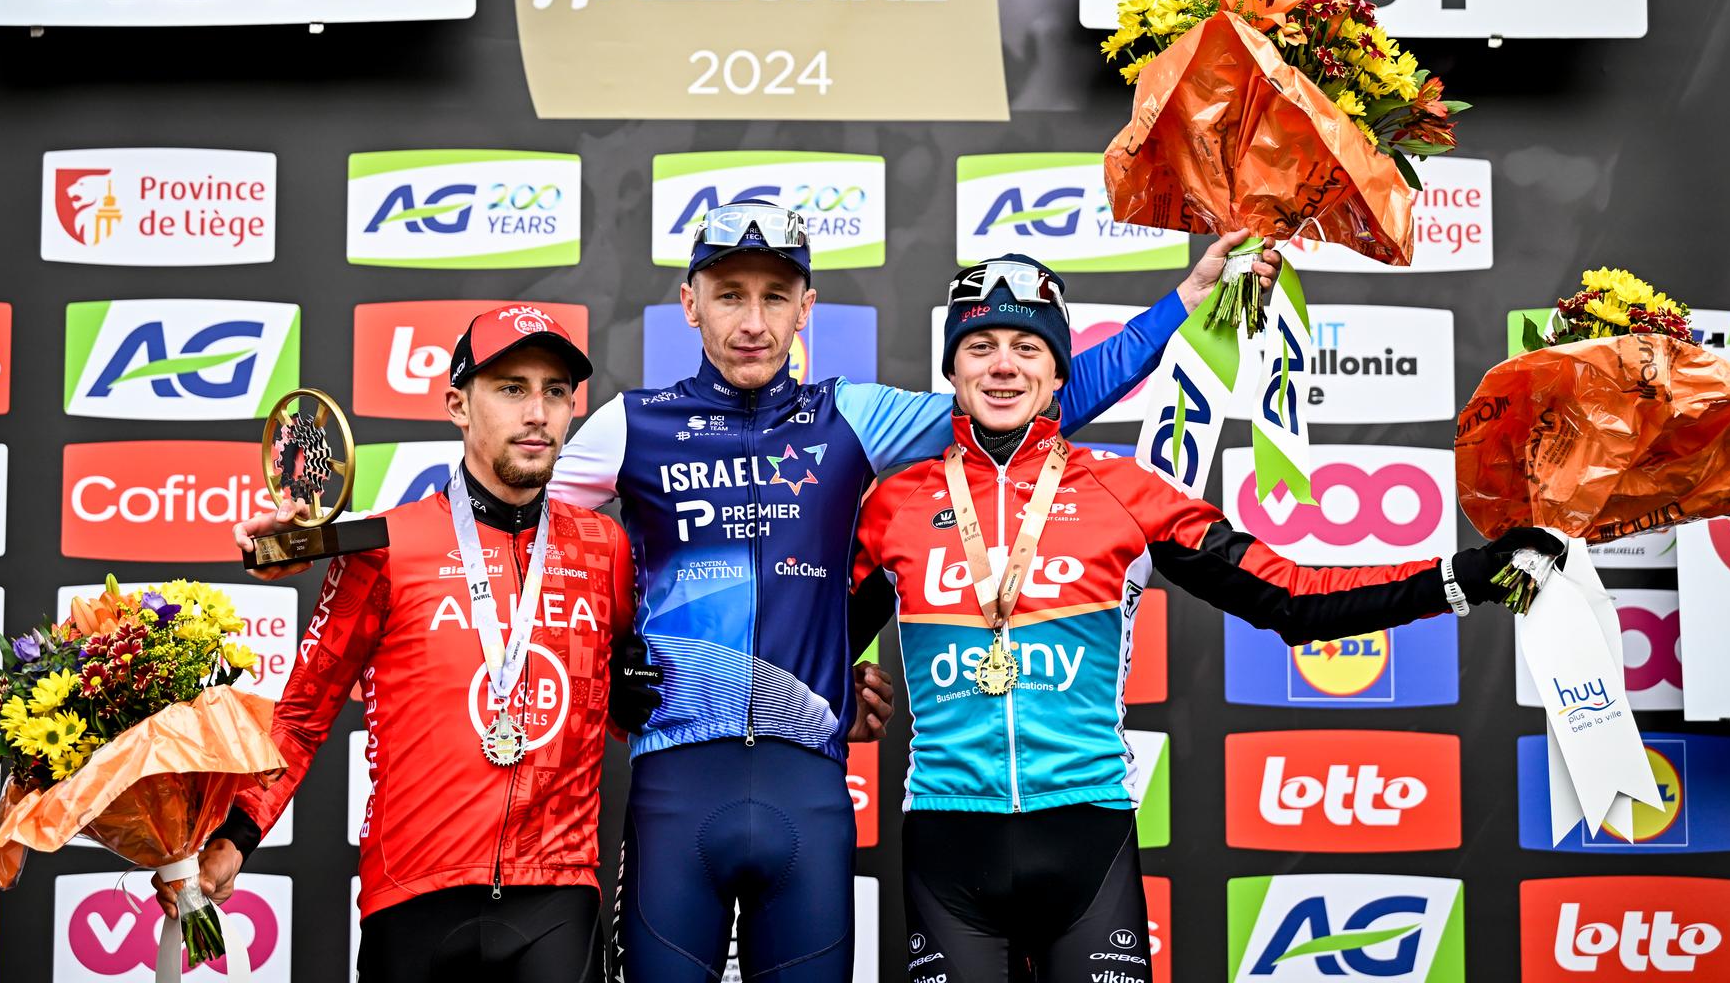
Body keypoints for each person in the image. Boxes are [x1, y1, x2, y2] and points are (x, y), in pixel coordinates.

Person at [552, 202, 1277, 982]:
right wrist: (608, 651)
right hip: (676, 781)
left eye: (774, 296)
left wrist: (1187, 300)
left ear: (807, 308)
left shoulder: (852, 417)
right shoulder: (631, 425)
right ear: (690, 302)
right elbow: (528, 543)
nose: (752, 320)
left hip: (807, 780)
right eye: (729, 294)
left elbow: (1032, 398)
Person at [850, 268, 1567, 982]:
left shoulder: (1124, 490)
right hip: (948, 843)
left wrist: (1464, 576)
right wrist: (836, 690)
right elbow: (809, 642)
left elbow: (1291, 597)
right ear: (951, 367)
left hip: (1087, 836)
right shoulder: (893, 505)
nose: (1003, 365)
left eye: (1027, 347)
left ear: (1060, 368)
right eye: (980, 346)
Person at [153, 305, 652, 983]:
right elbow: (301, 716)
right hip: (413, 896)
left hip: (556, 893)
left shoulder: (604, 546)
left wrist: (632, 697)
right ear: (458, 404)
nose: (538, 411)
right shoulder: (384, 545)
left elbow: (624, 712)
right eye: (511, 388)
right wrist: (236, 837)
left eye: (555, 391)